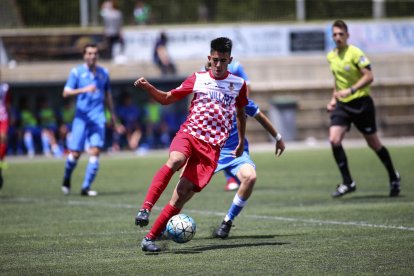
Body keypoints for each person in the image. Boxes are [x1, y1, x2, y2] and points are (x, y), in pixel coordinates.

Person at [134, 37, 248, 252]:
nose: (218, 65)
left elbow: (241, 113)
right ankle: (145, 209)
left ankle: (149, 239)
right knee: (176, 159)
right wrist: (149, 87)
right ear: (209, 58)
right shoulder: (197, 78)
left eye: (223, 61)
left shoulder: (238, 84)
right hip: (190, 134)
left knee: (182, 194)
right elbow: (167, 98)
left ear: (229, 60)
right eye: (215, 60)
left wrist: (241, 141)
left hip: (212, 149)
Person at [326, 20, 401, 198]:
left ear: (347, 35)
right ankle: (348, 182)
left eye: (341, 34)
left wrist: (351, 90)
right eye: (335, 34)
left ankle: (393, 176)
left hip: (361, 103)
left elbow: (369, 76)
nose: (338, 38)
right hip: (343, 105)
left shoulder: (355, 53)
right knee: (334, 140)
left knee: (374, 144)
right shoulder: (331, 56)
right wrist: (333, 99)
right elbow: (337, 80)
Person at [214, 97, 285, 238]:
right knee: (186, 188)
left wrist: (278, 138)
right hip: (211, 153)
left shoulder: (240, 98)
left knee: (250, 177)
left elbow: (260, 117)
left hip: (237, 153)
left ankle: (227, 221)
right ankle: (161, 228)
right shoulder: (207, 98)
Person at [61, 43, 119, 197]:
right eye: (89, 53)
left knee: (95, 151)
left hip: (98, 118)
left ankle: (85, 187)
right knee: (75, 154)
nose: (92, 56)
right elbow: (65, 92)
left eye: (95, 53)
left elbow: (108, 95)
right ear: (84, 55)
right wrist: (84, 90)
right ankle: (67, 178)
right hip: (81, 118)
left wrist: (113, 116)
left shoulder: (103, 73)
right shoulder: (77, 72)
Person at [203, 59, 252, 191]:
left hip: (233, 109)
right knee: (220, 144)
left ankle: (234, 176)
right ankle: (230, 178)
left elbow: (247, 85)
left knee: (232, 143)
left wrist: (243, 105)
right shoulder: (206, 68)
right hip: (216, 114)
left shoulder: (236, 66)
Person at [0, 80, 11, 189]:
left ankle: (1, 164)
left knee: (3, 138)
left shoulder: (4, 88)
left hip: (2, 117)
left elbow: (8, 104)